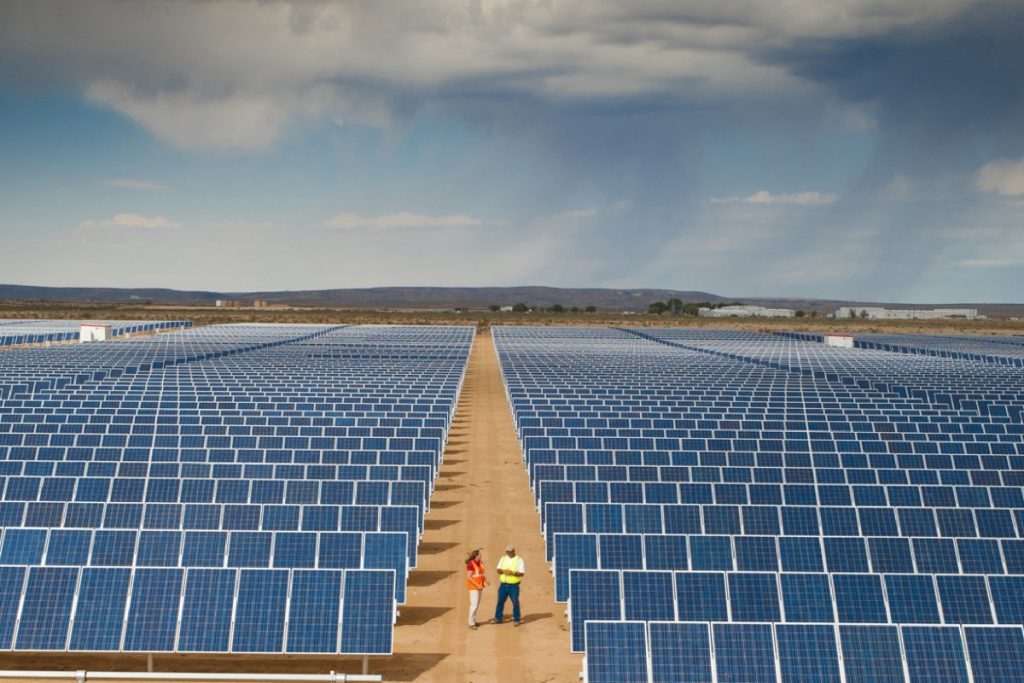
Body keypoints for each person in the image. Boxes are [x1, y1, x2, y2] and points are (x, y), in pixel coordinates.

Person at [492, 544, 525, 626]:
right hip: (503, 584)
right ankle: (498, 618)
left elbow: (521, 573)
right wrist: (504, 571)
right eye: (507, 551)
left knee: (515, 602)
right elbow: (498, 569)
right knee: (500, 602)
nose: (508, 553)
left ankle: (516, 619)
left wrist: (512, 573)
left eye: (510, 551)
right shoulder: (503, 558)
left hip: (513, 586)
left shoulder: (519, 560)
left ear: (513, 551)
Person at [466, 548, 487, 630]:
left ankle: (473, 621)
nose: (481, 555)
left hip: (479, 586)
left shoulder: (480, 562)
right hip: (474, 587)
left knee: (476, 604)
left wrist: (485, 581)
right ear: (476, 556)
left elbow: (481, 574)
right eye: (479, 554)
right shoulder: (471, 564)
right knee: (474, 605)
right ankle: (471, 623)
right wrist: (477, 585)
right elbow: (469, 577)